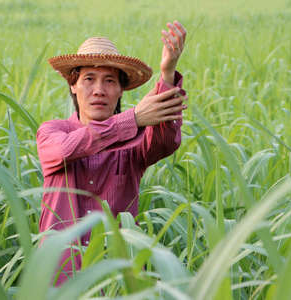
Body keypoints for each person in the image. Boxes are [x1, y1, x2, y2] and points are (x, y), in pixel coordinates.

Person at [36, 21, 187, 285]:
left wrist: (167, 74)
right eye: (88, 80)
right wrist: (133, 118)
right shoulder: (52, 132)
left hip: (115, 281)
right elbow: (64, 151)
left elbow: (165, 140)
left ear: (120, 90)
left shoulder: (135, 144)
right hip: (57, 281)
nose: (99, 90)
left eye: (109, 81)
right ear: (73, 86)